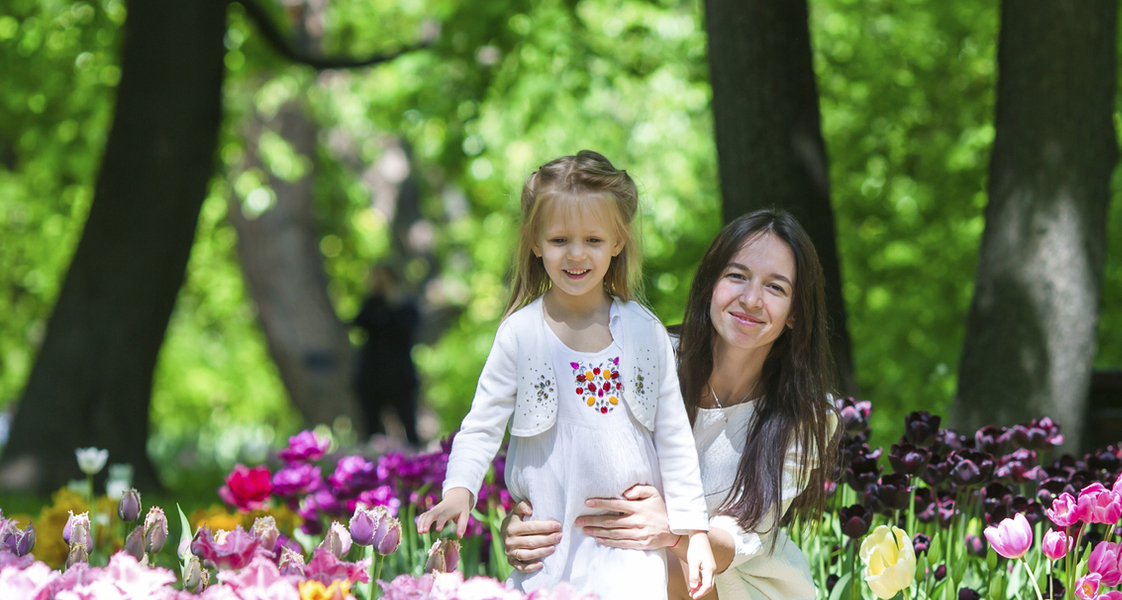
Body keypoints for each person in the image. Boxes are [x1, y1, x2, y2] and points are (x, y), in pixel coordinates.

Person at [414, 151, 716, 599]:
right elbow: (481, 426)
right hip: (548, 545)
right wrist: (459, 490)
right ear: (535, 242)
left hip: (628, 550)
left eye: (593, 239)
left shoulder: (644, 331)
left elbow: (674, 438)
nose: (576, 254)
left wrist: (695, 532)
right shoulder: (520, 333)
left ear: (617, 242)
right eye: (559, 240)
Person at [501, 209, 842, 600]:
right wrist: (522, 523)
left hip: (740, 586)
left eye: (775, 288)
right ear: (711, 283)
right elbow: (574, 459)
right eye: (737, 276)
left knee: (656, 557)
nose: (751, 299)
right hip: (627, 569)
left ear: (795, 313)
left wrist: (673, 530)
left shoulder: (806, 414)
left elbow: (744, 538)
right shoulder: (645, 357)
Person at [352, 264, 423, 446]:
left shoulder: (406, 305)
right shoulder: (371, 304)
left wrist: (393, 304)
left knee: (409, 427)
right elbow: (359, 323)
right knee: (372, 431)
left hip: (400, 375)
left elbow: (407, 332)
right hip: (372, 375)